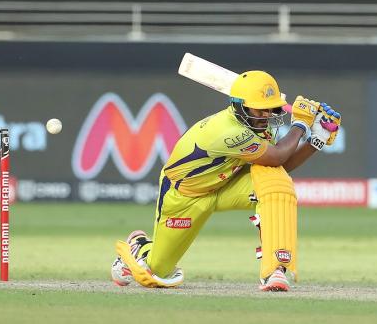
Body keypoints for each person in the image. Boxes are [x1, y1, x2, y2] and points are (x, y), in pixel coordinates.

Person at [111, 70, 341, 291]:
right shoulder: (229, 132)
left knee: (277, 185)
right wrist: (301, 125)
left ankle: (275, 270)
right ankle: (140, 245)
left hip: (226, 185)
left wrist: (317, 140)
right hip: (185, 197)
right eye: (259, 110)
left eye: (269, 110)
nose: (265, 116)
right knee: (156, 272)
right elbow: (279, 155)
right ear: (239, 106)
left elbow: (278, 166)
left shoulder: (258, 126)